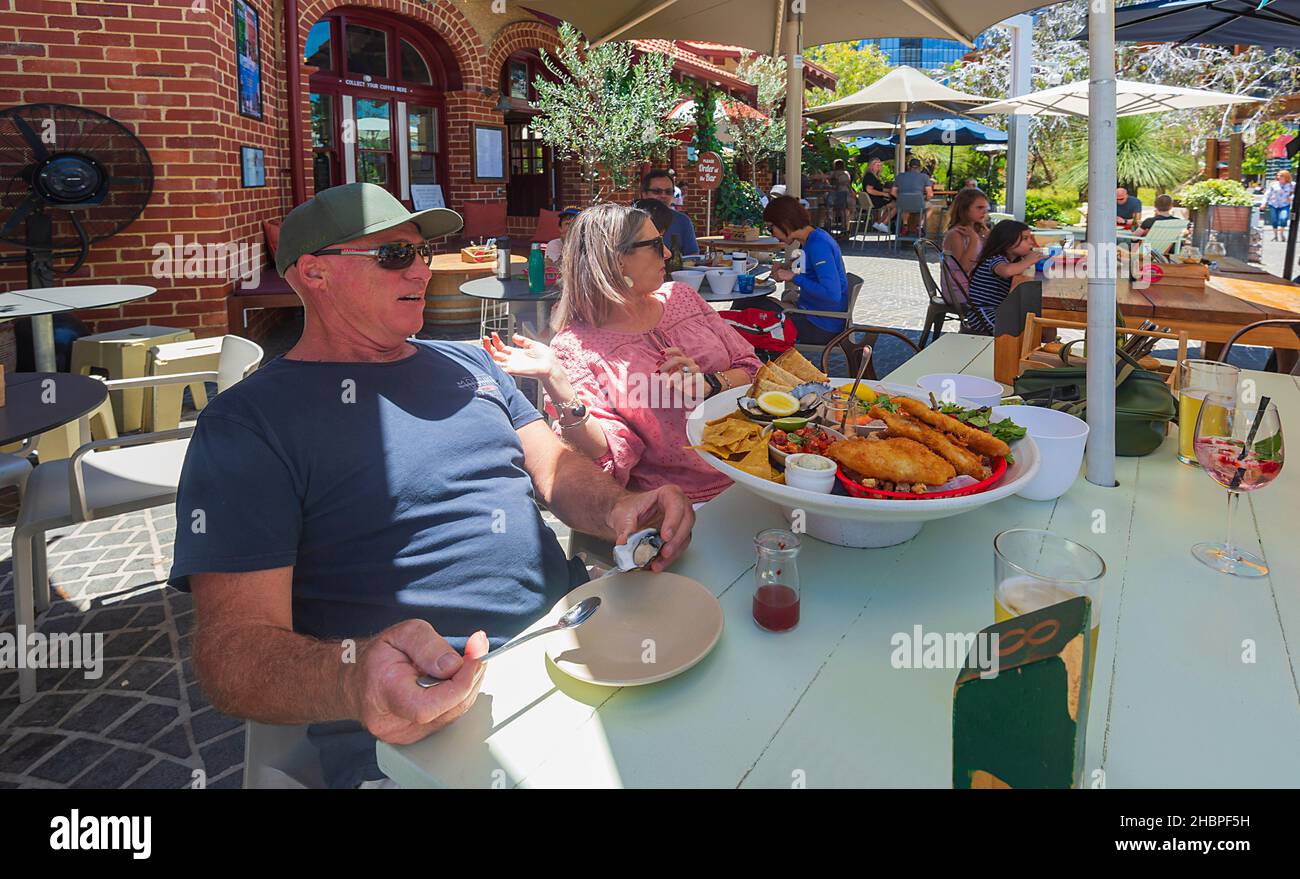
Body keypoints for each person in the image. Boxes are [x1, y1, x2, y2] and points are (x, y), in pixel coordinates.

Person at [169, 183, 695, 789]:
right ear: (314, 274)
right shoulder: (248, 424)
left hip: (577, 643)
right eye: (395, 255)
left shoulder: (469, 363)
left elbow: (553, 469)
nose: (422, 269)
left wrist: (621, 507)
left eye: (423, 252)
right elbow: (232, 654)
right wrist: (352, 677)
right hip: (427, 719)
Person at [486, 203, 761, 505]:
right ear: (616, 261)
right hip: (679, 503)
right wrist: (555, 381)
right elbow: (606, 453)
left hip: (758, 473)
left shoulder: (682, 297)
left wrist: (711, 383)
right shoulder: (575, 346)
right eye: (656, 245)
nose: (668, 254)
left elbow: (753, 369)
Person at [764, 195, 850, 346]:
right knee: (755, 306)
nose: (772, 234)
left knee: (752, 311)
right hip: (814, 315)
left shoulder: (818, 245)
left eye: (771, 228)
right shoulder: (811, 239)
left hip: (821, 325)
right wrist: (786, 267)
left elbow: (832, 294)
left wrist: (793, 277)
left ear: (785, 223)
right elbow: (809, 268)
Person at [965, 219, 1041, 335]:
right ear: (1007, 242)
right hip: (983, 314)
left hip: (997, 310)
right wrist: (1027, 261)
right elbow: (1006, 271)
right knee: (1025, 329)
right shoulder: (996, 260)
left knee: (1037, 321)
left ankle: (1046, 343)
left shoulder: (1010, 260)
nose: (1031, 242)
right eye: (1025, 238)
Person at [941, 188, 991, 300]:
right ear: (964, 209)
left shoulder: (979, 230)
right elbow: (964, 267)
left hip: (972, 285)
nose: (984, 211)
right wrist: (974, 240)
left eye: (985, 208)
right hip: (959, 291)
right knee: (1007, 295)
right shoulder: (956, 234)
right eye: (979, 208)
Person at [643, 168, 698, 255]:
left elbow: (692, 256)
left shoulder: (682, 221)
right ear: (644, 194)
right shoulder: (631, 220)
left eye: (668, 192)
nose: (663, 195)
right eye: (657, 191)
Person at [891, 158, 935, 234]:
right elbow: (930, 194)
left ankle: (905, 225)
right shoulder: (924, 177)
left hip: (904, 204)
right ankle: (919, 226)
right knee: (931, 208)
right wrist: (925, 199)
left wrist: (901, 198)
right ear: (920, 167)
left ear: (909, 167)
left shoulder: (900, 176)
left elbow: (893, 192)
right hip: (918, 204)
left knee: (905, 206)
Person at [862, 158, 895, 232]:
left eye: (880, 164)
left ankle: (879, 223)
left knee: (891, 204)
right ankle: (883, 223)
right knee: (897, 205)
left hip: (873, 199)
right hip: (873, 200)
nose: (879, 166)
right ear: (871, 166)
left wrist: (890, 190)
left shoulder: (872, 176)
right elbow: (869, 190)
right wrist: (884, 194)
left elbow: (878, 188)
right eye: (876, 164)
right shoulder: (870, 176)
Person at [1264, 170, 1294, 242]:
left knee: (1283, 219)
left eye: (1281, 175)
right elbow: (1267, 194)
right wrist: (1264, 203)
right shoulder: (1273, 184)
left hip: (1284, 204)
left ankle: (1281, 233)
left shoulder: (1291, 184)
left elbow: (1294, 193)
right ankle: (1275, 236)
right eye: (1278, 175)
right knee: (1274, 220)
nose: (1279, 177)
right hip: (1273, 204)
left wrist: (1291, 197)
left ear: (1286, 176)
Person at [828, 158, 853, 233]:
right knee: (846, 211)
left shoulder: (833, 173)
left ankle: (831, 226)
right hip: (848, 193)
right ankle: (846, 228)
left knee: (831, 209)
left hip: (837, 194)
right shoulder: (846, 173)